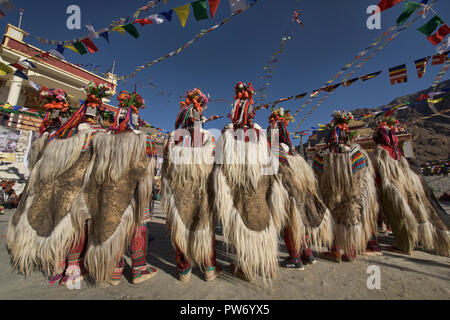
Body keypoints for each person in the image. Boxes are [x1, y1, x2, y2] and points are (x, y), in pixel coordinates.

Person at [212, 82, 285, 284]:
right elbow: (272, 167)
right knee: (264, 220)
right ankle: (269, 265)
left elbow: (219, 169)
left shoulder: (226, 135)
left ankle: (245, 266)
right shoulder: (262, 136)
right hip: (261, 188)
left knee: (242, 220)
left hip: (240, 190)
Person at [162, 88, 221, 282]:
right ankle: (209, 268)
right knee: (205, 227)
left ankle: (183, 271)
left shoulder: (172, 139)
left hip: (179, 193)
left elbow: (165, 170)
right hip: (203, 191)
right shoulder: (209, 138)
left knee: (181, 228)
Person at [266, 108, 334, 270]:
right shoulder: (295, 155)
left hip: (289, 195)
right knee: (300, 221)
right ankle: (307, 254)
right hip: (302, 196)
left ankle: (295, 258)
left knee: (291, 222)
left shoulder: (277, 156)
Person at [372, 118, 449, 256]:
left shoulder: (380, 150)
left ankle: (404, 245)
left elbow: (378, 170)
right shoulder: (396, 151)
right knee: (407, 214)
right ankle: (412, 241)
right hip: (403, 185)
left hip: (388, 187)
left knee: (396, 216)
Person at [313, 111, 379, 262]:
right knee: (351, 216)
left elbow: (316, 176)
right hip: (352, 195)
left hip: (330, 193)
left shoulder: (322, 154)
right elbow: (365, 178)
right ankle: (350, 251)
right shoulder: (358, 153)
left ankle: (334, 251)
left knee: (331, 217)